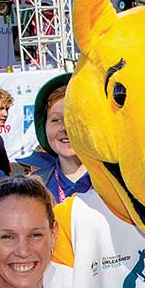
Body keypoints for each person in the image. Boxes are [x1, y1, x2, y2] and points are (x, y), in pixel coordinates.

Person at [19, 74, 91, 203]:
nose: (65, 128)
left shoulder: (116, 182)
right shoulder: (32, 189)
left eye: (74, 119)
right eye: (56, 120)